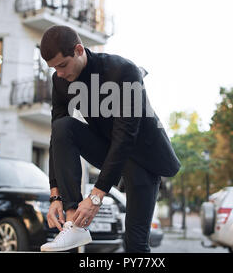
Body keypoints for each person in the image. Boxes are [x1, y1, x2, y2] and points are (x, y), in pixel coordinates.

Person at [39, 25, 181, 253]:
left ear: (78, 50)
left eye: (63, 65)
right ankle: (73, 223)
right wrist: (56, 195)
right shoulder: (60, 81)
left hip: (143, 158)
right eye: (54, 69)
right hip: (109, 150)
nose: (60, 73)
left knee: (135, 243)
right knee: (62, 127)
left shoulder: (123, 71)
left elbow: (126, 136)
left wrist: (95, 197)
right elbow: (57, 138)